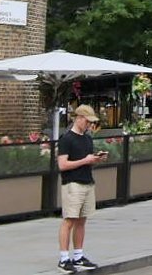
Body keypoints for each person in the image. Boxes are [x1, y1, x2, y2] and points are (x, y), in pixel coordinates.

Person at [56, 105, 105, 271]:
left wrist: (95, 160)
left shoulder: (87, 139)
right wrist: (85, 160)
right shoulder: (67, 139)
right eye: (87, 121)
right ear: (79, 118)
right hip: (73, 183)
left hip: (87, 181)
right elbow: (62, 164)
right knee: (69, 220)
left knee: (82, 221)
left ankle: (78, 255)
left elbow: (86, 161)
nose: (89, 125)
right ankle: (64, 258)